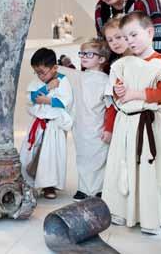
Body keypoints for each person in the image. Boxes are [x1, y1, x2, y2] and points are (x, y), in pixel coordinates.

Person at [102, 12, 161, 235]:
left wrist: (135, 93)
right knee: (124, 166)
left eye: (134, 35)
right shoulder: (123, 64)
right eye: (126, 37)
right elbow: (118, 92)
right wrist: (120, 92)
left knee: (149, 170)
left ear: (149, 32)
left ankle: (151, 217)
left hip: (148, 125)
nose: (130, 41)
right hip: (125, 125)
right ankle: (125, 211)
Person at [60, 39, 111, 201]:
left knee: (99, 158)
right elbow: (67, 72)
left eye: (89, 54)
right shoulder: (79, 77)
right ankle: (83, 187)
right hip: (80, 126)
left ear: (101, 59)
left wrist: (109, 128)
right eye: (81, 53)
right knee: (82, 157)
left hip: (98, 126)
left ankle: (98, 189)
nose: (83, 57)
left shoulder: (106, 80)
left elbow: (110, 106)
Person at [20, 48, 73, 200]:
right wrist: (48, 88)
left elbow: (65, 102)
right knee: (31, 152)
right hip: (38, 124)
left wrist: (47, 100)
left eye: (42, 72)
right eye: (36, 72)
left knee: (51, 156)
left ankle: (49, 185)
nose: (40, 76)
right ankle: (29, 180)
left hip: (54, 127)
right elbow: (31, 97)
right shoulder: (38, 82)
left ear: (54, 68)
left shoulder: (63, 80)